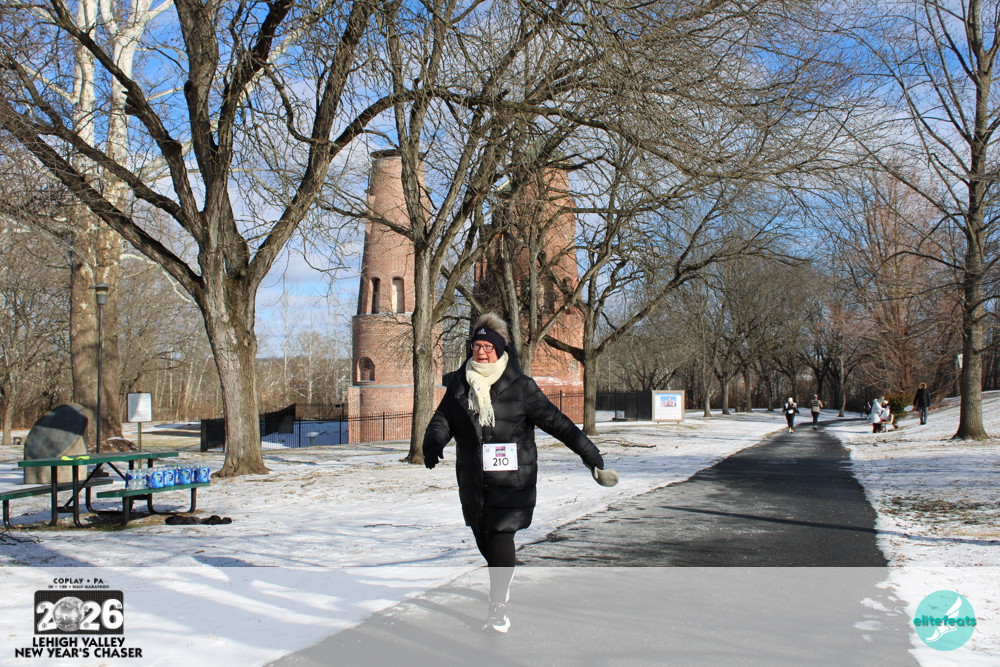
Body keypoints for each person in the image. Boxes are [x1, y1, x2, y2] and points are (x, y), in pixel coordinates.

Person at [423, 313, 618, 634]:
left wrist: (590, 454)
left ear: (499, 349)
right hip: (474, 478)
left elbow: (558, 423)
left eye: (488, 346)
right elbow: (444, 417)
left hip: (511, 478)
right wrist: (433, 442)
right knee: (483, 535)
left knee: (500, 533)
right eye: (476, 346)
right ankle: (502, 577)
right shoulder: (460, 382)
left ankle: (497, 606)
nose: (481, 352)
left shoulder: (520, 386)